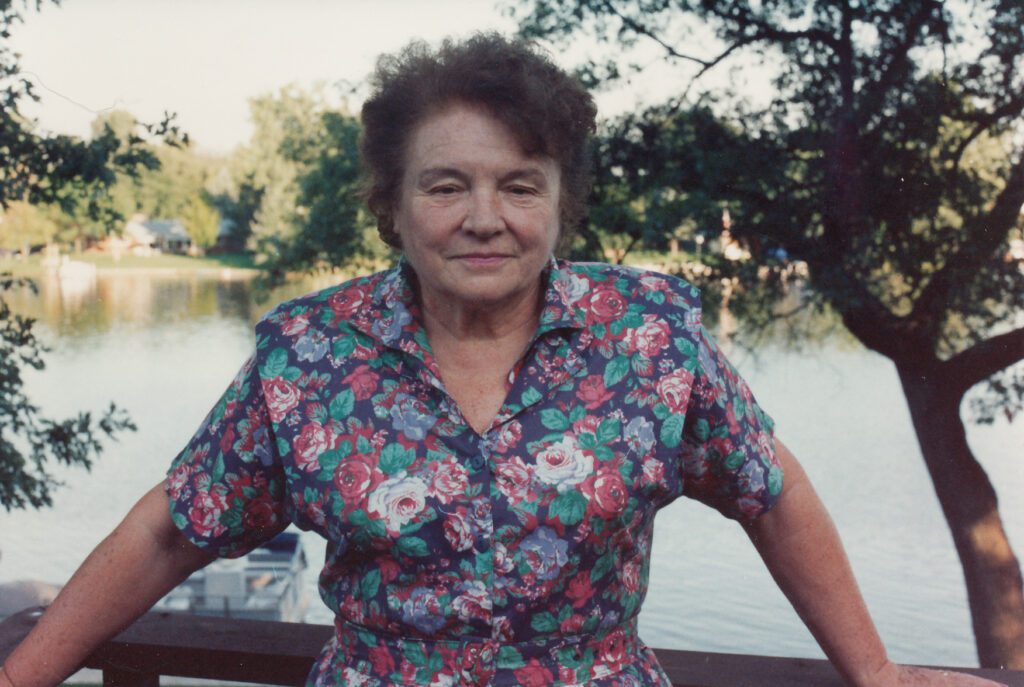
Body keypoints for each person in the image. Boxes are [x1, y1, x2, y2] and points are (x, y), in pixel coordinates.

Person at [0, 33, 1007, 687]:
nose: (485, 219)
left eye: (519, 186)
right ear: (391, 207)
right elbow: (176, 530)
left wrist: (871, 669)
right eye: (446, 186)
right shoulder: (307, 355)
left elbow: (767, 488)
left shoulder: (648, 337)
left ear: (562, 205)